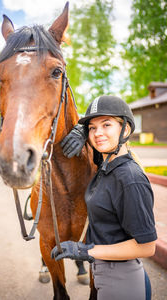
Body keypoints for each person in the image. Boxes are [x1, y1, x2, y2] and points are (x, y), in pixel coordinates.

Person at [51, 95, 157, 300]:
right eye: (92, 127)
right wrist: (81, 130)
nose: (98, 133)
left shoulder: (130, 179)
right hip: (104, 275)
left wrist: (84, 250)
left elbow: (147, 246)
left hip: (121, 281)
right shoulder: (106, 167)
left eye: (106, 124)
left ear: (125, 129)